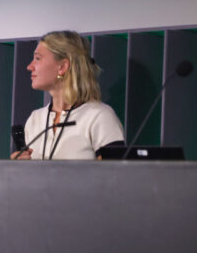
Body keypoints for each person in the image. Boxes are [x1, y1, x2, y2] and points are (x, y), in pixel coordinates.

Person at [12, 30, 124, 160]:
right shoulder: (34, 119)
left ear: (62, 67)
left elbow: (115, 172)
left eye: (38, 58)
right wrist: (19, 168)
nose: (29, 67)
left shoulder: (100, 116)